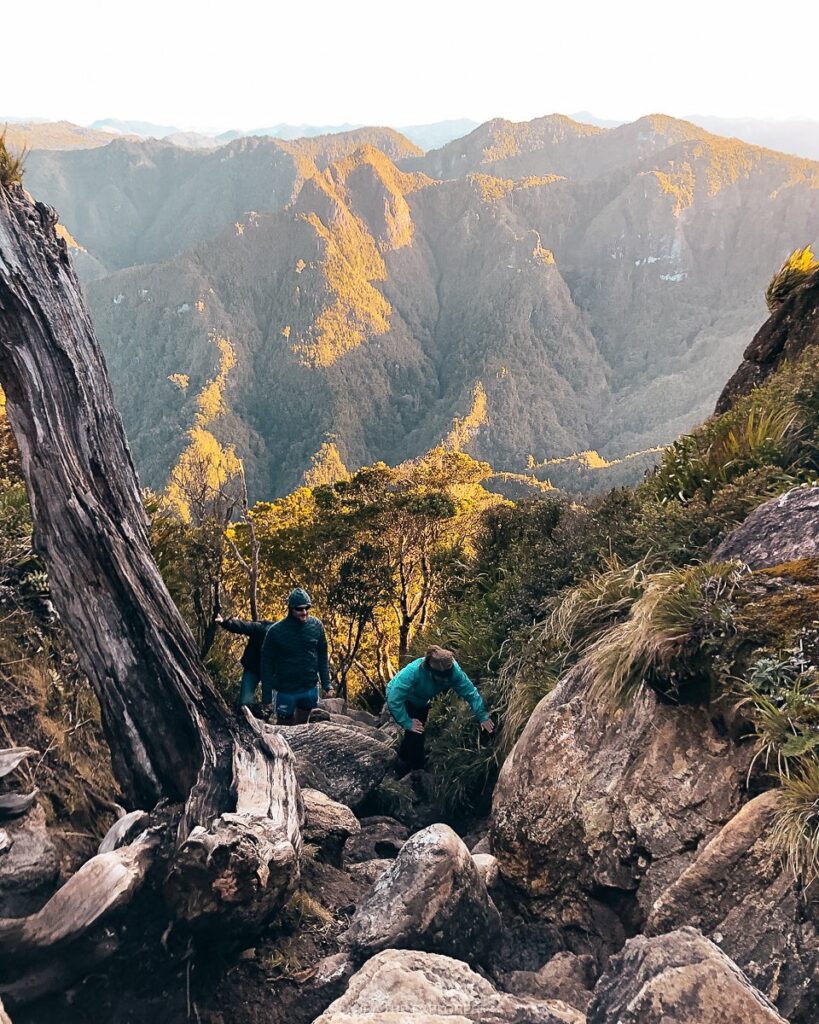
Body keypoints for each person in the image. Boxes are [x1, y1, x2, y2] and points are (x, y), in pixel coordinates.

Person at [386, 646, 494, 769]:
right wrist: (406, 721)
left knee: (416, 728)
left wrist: (482, 716)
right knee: (416, 729)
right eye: (441, 676)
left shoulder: (454, 673)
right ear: (430, 670)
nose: (446, 679)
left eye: (448, 675)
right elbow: (394, 699)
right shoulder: (413, 672)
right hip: (402, 698)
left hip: (422, 700)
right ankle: (416, 767)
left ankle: (403, 758)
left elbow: (470, 693)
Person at [260, 587, 332, 724]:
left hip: (309, 687)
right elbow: (266, 665)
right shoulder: (275, 632)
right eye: (299, 609)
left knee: (302, 727)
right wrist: (266, 697)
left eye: (307, 608)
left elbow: (323, 656)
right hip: (285, 690)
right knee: (284, 727)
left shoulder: (317, 626)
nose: (304, 612)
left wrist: (327, 684)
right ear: (291, 609)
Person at [214, 612, 274, 715]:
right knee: (245, 703)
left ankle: (266, 720)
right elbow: (243, 626)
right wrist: (224, 622)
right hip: (253, 668)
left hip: (270, 672)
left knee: (269, 705)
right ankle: (243, 720)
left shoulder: (285, 637)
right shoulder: (261, 629)